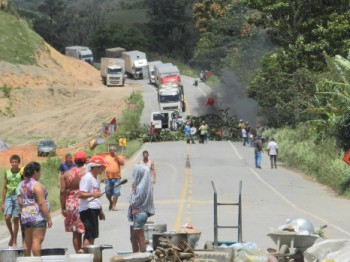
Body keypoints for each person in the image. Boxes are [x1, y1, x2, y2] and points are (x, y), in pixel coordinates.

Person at [19, 162, 52, 256]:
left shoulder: (22, 184)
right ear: (35, 172)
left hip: (26, 216)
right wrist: (48, 218)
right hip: (38, 216)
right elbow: (41, 203)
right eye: (39, 171)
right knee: (37, 241)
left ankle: (27, 260)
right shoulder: (36, 185)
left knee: (27, 242)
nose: (40, 173)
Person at [60, 151, 87, 253]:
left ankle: (77, 254)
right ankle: (84, 251)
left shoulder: (66, 174)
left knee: (75, 231)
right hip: (84, 201)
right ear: (85, 161)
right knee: (86, 228)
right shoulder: (87, 173)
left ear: (74, 160)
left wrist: (63, 208)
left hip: (71, 203)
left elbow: (62, 192)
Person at [79, 155, 107, 246]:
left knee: (93, 235)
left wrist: (100, 210)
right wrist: (93, 194)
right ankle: (85, 255)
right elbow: (80, 194)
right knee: (89, 235)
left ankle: (89, 254)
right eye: (101, 167)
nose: (102, 169)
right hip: (88, 209)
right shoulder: (87, 178)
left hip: (94, 209)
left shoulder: (96, 178)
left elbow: (96, 195)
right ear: (94, 167)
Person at [128, 164, 155, 253]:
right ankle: (137, 255)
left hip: (139, 212)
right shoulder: (146, 184)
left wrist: (132, 191)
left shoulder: (140, 187)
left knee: (138, 237)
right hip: (141, 212)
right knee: (135, 238)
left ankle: (140, 256)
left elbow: (134, 201)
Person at [1, 154, 22, 247]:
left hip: (17, 196)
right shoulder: (7, 172)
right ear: (10, 162)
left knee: (16, 219)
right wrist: (2, 203)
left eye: (16, 162)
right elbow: (4, 187)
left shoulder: (21, 172)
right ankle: (12, 234)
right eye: (13, 162)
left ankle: (15, 240)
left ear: (18, 163)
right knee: (7, 217)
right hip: (9, 196)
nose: (14, 164)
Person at [104, 146, 125, 211]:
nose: (112, 151)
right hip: (108, 178)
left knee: (116, 192)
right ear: (109, 151)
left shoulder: (119, 157)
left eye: (113, 150)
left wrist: (117, 157)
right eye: (111, 150)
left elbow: (122, 163)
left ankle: (113, 206)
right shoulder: (106, 158)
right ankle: (111, 202)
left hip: (117, 178)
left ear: (115, 151)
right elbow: (103, 167)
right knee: (107, 192)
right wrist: (102, 177)